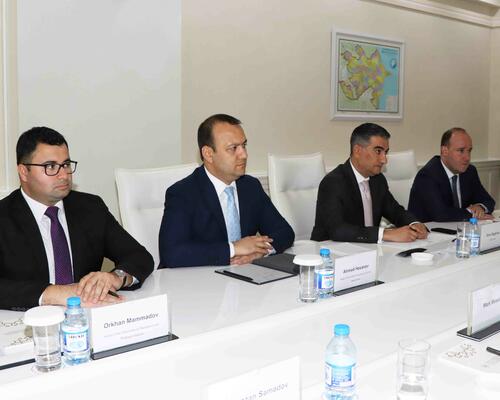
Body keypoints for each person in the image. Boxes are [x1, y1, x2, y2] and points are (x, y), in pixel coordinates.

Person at [0, 127, 154, 311]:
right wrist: (53, 293)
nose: (64, 175)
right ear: (24, 171)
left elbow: (139, 256)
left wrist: (116, 277)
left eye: (66, 164)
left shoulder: (90, 207)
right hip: (25, 320)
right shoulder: (4, 216)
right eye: (50, 166)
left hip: (87, 315)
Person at [159, 114, 295, 267]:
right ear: (208, 154)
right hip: (200, 278)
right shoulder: (183, 193)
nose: (244, 155)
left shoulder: (250, 186)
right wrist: (233, 248)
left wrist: (261, 251)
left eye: (244, 145)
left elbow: (284, 232)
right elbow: (172, 253)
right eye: (233, 148)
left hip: (244, 275)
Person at [311, 123, 428, 243]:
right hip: (330, 250)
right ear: (357, 151)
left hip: (368, 248)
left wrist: (414, 223)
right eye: (378, 151)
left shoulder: (378, 180)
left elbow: (395, 211)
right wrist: (385, 234)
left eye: (385, 152)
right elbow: (337, 230)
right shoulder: (333, 182)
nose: (384, 160)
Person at [408, 127, 495, 222]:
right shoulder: (427, 175)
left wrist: (480, 207)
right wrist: (471, 213)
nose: (467, 157)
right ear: (445, 151)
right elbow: (441, 214)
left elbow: (489, 201)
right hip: (428, 229)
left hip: (459, 227)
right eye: (461, 151)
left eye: (469, 151)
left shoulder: (469, 171)